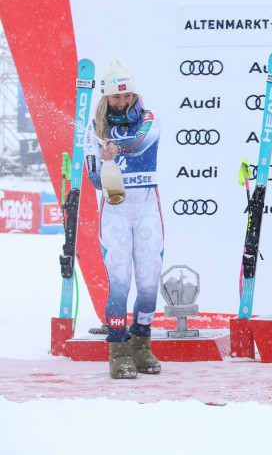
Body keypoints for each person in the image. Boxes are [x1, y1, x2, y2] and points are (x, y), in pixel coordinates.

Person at [84, 57, 164, 379]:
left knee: (148, 283)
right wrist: (104, 164)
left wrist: (116, 148)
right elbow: (91, 176)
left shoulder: (149, 117)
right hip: (115, 211)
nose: (122, 101)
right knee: (120, 283)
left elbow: (142, 141)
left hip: (146, 209)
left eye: (127, 94)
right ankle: (118, 349)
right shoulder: (94, 128)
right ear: (106, 98)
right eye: (116, 96)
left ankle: (142, 345)